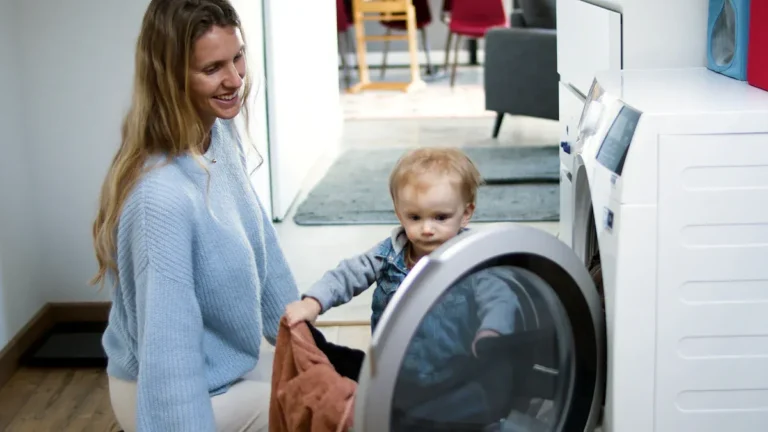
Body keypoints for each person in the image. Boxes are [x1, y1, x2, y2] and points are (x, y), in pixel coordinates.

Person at [90, 1, 299, 431]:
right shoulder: (160, 198)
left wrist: (305, 346)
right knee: (331, 416)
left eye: (237, 56)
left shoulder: (218, 132)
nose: (235, 79)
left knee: (338, 386)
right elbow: (169, 357)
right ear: (170, 77)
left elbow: (263, 246)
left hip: (225, 368)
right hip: (169, 396)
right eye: (212, 68)